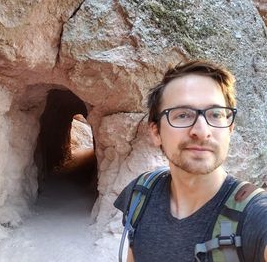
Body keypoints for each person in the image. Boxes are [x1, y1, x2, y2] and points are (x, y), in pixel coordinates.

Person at [114, 60, 267, 262]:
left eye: (215, 114)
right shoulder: (140, 194)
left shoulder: (255, 216)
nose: (202, 132)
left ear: (229, 129)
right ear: (156, 132)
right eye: (183, 115)